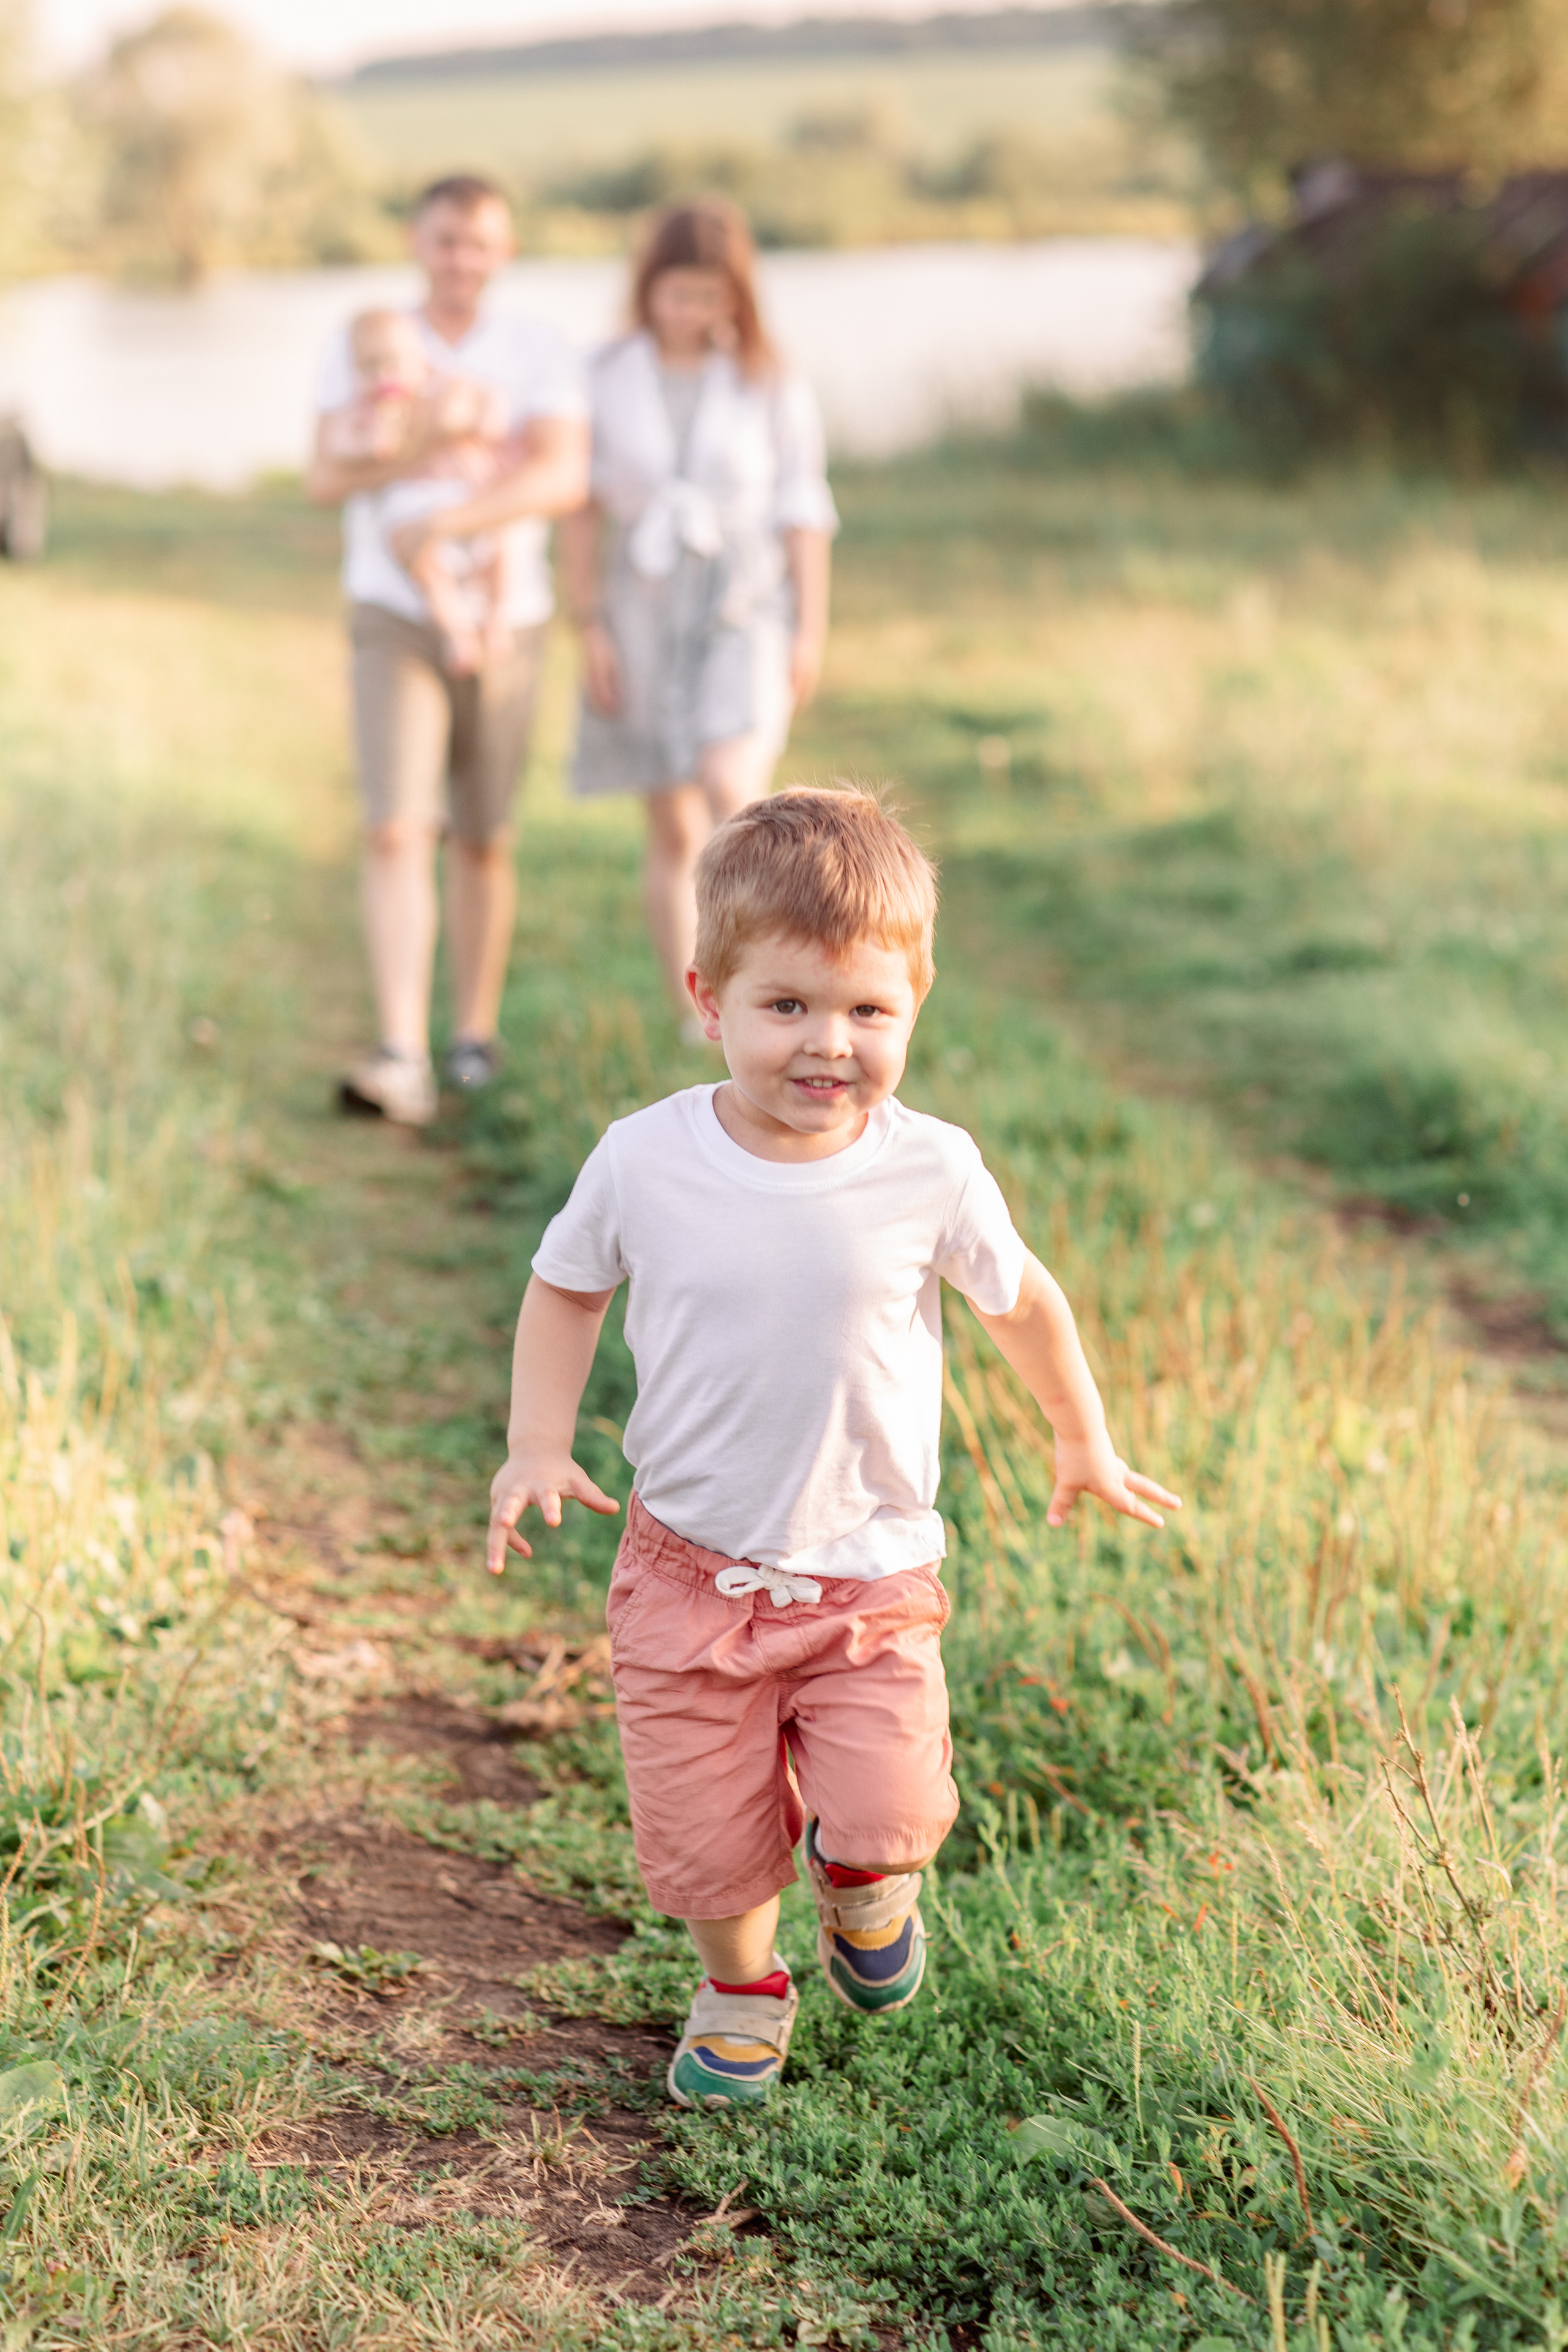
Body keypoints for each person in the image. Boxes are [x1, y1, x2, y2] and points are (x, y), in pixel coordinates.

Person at [485, 787, 1181, 2108]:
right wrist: (535, 1441)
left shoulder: (931, 1169)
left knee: (888, 1812)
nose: (828, 1045)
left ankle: (862, 1885)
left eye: (868, 1012)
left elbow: (1019, 1302)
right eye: (786, 1007)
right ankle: (741, 1986)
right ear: (707, 999)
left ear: (914, 1004)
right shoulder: (645, 1160)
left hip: (866, 1578)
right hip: (691, 1575)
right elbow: (567, 1290)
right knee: (704, 1838)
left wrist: (1079, 1434)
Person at [307, 176, 590, 1128]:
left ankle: (471, 1031)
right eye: (445, 241)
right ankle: (400, 1050)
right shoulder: (367, 338)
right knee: (395, 825)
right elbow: (323, 474)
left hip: (508, 616)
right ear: (415, 240)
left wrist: (446, 524)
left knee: (484, 834)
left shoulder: (537, 348)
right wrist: (420, 449)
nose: (461, 258)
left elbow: (560, 473)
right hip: (391, 610)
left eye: (479, 243)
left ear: (504, 249)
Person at [557, 200, 837, 1033]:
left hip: (744, 598)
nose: (690, 312)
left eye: (708, 296)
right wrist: (590, 624)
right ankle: (702, 1009)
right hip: (641, 599)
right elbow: (581, 506)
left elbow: (804, 507)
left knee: (732, 787)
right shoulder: (605, 372)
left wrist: (811, 627)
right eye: (676, 294)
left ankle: (772, 983)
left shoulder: (766, 378)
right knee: (671, 815)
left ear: (734, 296)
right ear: (648, 290)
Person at [321, 308, 516, 679]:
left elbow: (491, 409)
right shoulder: (363, 412)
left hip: (468, 502)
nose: (383, 377)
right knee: (422, 564)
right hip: (414, 511)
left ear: (421, 362)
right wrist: (370, 443)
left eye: (393, 364)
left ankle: (497, 617)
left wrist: (479, 419)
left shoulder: (444, 390)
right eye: (369, 368)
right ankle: (458, 632)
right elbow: (337, 446)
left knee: (503, 547)